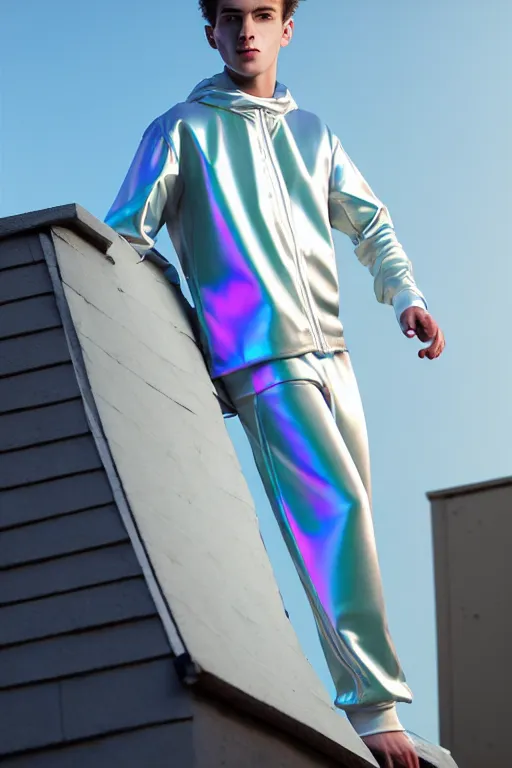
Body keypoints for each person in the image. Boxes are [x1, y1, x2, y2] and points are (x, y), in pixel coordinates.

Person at [104, 1, 445, 765]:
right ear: (211, 32)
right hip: (259, 359)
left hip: (335, 354)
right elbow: (125, 234)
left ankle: (361, 693)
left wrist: (408, 296)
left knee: (351, 509)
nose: (248, 30)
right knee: (336, 508)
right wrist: (196, 326)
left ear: (288, 28)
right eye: (231, 17)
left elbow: (370, 221)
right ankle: (371, 708)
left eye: (263, 13)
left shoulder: (314, 132)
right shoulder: (181, 129)